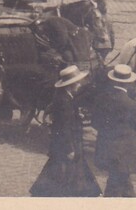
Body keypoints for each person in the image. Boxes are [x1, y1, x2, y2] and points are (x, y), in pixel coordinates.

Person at [29, 66, 102, 197]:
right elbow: (63, 128)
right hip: (68, 144)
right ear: (71, 84)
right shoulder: (64, 101)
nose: (79, 84)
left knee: (62, 169)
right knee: (64, 171)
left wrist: (77, 115)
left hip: (66, 143)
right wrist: (69, 148)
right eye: (77, 82)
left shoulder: (65, 97)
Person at [90, 65, 136, 197]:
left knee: (121, 183)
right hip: (125, 153)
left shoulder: (101, 99)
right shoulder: (131, 104)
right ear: (129, 83)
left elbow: (94, 122)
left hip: (106, 149)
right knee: (116, 186)